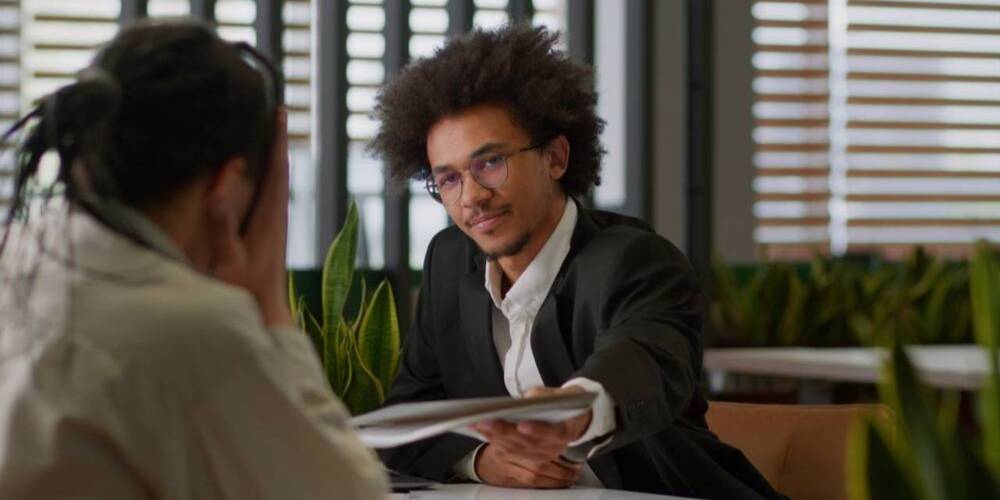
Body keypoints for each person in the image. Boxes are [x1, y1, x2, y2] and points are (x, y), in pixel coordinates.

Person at [369, 24, 785, 499]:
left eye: (490, 163)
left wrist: (576, 410)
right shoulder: (448, 263)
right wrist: (484, 461)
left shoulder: (636, 260)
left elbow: (646, 358)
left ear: (556, 158)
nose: (472, 198)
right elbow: (405, 416)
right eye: (448, 179)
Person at [0, 21, 387, 499]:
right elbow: (350, 492)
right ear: (226, 187)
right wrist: (268, 300)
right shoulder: (190, 327)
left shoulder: (21, 257)